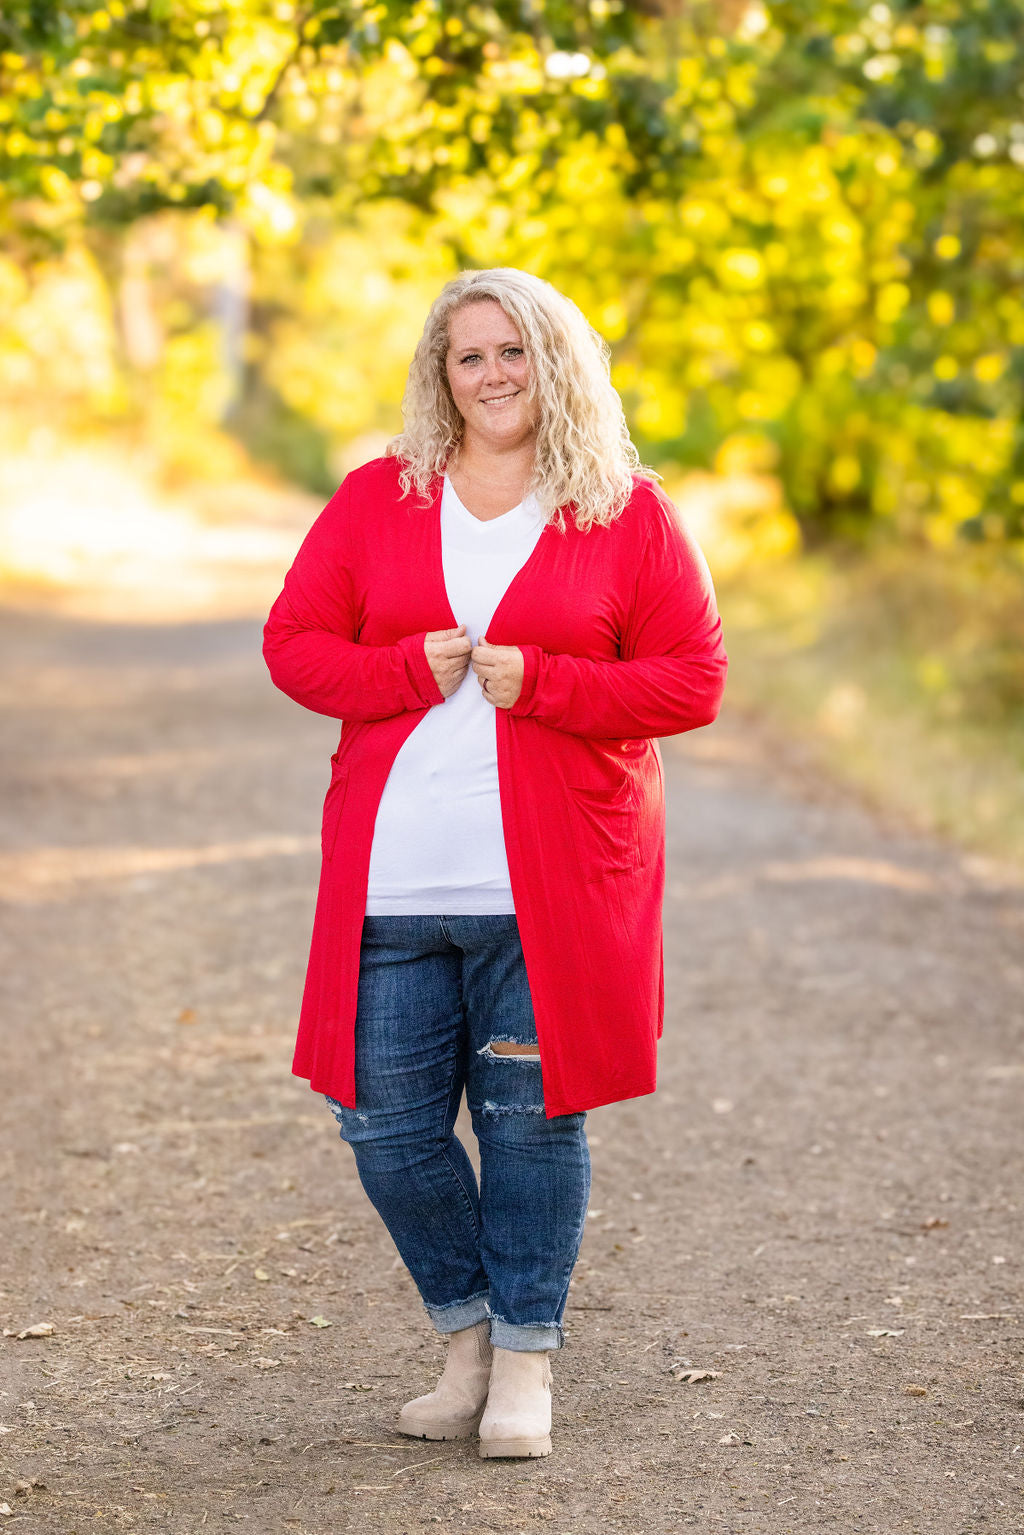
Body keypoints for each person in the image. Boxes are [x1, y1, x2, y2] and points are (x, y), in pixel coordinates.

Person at [262, 267, 727, 1460]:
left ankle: (522, 1362)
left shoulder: (619, 507)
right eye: (469, 355)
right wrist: (408, 670)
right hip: (394, 885)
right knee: (384, 1126)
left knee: (529, 1123)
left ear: (556, 360)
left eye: (514, 349)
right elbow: (296, 646)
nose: (493, 374)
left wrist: (553, 684)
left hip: (552, 885)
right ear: (441, 374)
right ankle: (462, 1336)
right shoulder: (379, 497)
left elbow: (690, 678)